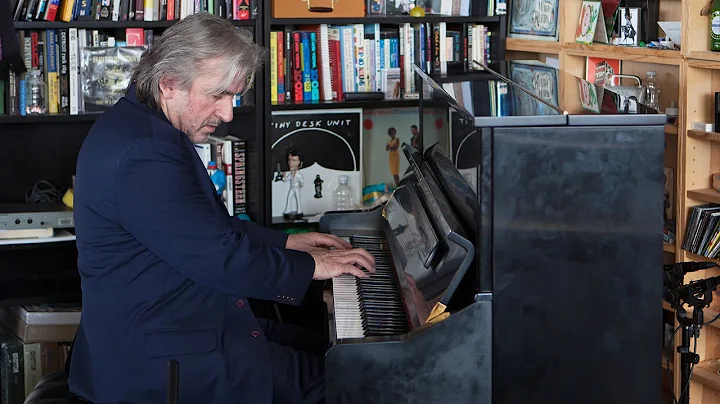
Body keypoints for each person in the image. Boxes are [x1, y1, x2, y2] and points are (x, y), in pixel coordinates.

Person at [67, 13, 375, 404]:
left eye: (234, 96)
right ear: (169, 84)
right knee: (357, 383)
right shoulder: (142, 155)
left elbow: (206, 228)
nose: (229, 113)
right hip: (163, 359)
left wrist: (288, 244)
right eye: (218, 95)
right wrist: (316, 267)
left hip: (180, 325)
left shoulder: (141, 125)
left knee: (336, 348)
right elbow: (219, 257)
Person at [283, 148, 304, 218]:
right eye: (289, 159)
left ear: (300, 163)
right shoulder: (291, 173)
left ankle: (299, 211)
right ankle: (288, 210)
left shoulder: (299, 174)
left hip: (296, 188)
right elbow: (286, 180)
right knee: (289, 198)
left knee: (298, 199)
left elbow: (302, 182)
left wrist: (300, 184)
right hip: (292, 188)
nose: (290, 163)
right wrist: (284, 176)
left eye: (294, 160)